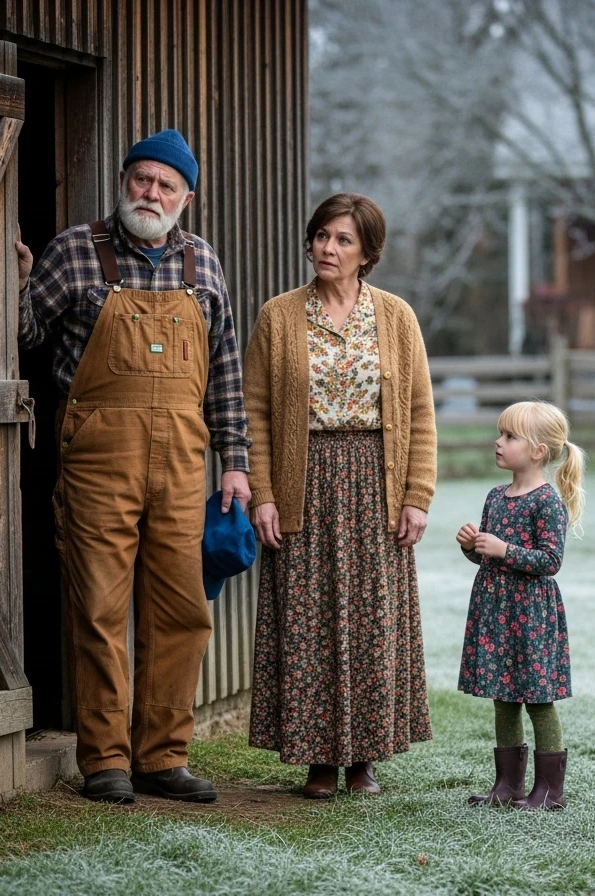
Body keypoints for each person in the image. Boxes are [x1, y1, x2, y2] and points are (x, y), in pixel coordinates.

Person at [15, 129, 251, 805]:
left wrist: (234, 464)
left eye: (164, 185)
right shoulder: (76, 251)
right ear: (125, 181)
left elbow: (226, 371)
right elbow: (24, 337)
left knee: (181, 609)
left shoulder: (203, 265)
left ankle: (162, 756)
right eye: (141, 179)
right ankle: (105, 761)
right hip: (97, 460)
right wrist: (18, 282)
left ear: (187, 197)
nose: (149, 193)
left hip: (182, 462)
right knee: (98, 608)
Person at [243, 193, 436, 798]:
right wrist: (264, 494)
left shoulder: (397, 317)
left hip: (376, 484)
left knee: (371, 623)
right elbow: (255, 414)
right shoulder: (278, 316)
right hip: (305, 483)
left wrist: (417, 495)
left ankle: (364, 759)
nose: (329, 248)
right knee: (308, 622)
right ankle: (317, 760)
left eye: (344, 239)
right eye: (322, 235)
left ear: (367, 252)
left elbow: (422, 413)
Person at [457, 400, 585, 811]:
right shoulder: (496, 496)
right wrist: (473, 547)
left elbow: (551, 561)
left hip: (529, 615)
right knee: (503, 697)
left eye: (509, 436)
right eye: (500, 433)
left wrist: (503, 547)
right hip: (496, 611)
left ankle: (549, 791)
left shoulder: (547, 501)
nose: (498, 441)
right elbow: (487, 557)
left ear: (537, 452)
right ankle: (507, 785)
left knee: (537, 698)